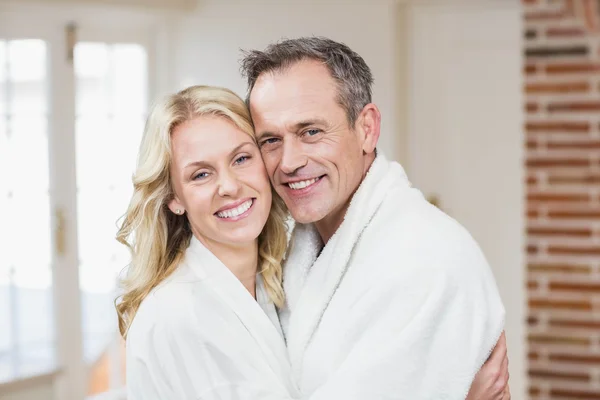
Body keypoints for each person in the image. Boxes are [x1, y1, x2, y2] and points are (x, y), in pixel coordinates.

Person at [241, 36, 510, 399]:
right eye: (270, 140)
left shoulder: (427, 257)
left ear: (366, 128)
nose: (288, 162)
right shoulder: (297, 254)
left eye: (311, 132)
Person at [118, 85, 299, 399]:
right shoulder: (178, 316)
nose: (229, 186)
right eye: (201, 175)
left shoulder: (277, 280)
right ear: (174, 197)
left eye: (241, 158)